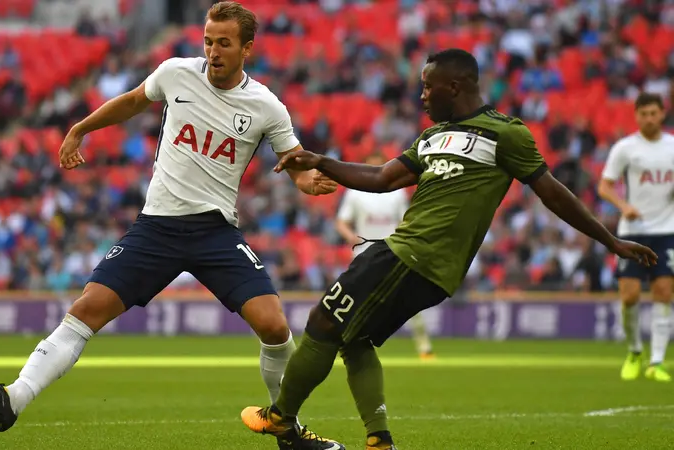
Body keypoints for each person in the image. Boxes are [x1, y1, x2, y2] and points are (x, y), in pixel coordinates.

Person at [0, 2, 342, 449]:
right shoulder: (176, 73)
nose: (213, 51)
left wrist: (306, 178)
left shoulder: (266, 107)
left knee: (275, 327)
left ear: (247, 49)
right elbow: (133, 101)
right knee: (86, 309)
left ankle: (287, 431)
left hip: (215, 232)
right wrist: (80, 128)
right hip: (156, 227)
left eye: (224, 43)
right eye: (208, 41)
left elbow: (291, 161)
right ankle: (11, 399)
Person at [240, 48, 658, 450]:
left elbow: (552, 193)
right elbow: (382, 178)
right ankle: (378, 439)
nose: (421, 96)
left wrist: (610, 240)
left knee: (323, 320)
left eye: (427, 87)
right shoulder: (432, 136)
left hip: (414, 254)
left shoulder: (505, 133)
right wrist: (322, 161)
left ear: (454, 87)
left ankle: (281, 415)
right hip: (414, 258)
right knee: (355, 340)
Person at [598, 92, 674, 383]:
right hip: (633, 233)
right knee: (629, 296)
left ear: (662, 114)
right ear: (637, 115)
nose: (649, 118)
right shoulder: (625, 148)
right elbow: (605, 186)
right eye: (644, 114)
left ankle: (656, 361)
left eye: (654, 113)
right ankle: (633, 351)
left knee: (663, 293)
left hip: (667, 231)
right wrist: (623, 206)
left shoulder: (672, 147)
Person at [335, 152, 435, 360]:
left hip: (393, 251)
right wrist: (351, 237)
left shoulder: (396, 193)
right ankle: (343, 343)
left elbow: (406, 220)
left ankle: (424, 347)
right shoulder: (355, 192)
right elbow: (341, 222)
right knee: (355, 300)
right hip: (365, 253)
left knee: (410, 299)